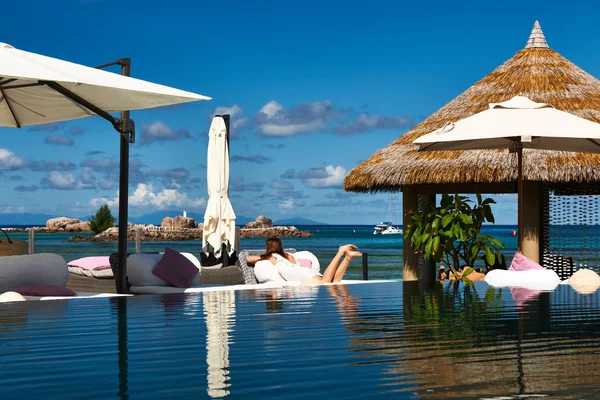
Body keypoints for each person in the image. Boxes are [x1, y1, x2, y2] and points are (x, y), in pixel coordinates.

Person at [246, 238, 362, 285]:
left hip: (299, 275)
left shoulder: (271, 256)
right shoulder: (288, 254)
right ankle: (347, 258)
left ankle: (340, 252)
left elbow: (248, 259)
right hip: (305, 271)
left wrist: (264, 255)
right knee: (334, 282)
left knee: (326, 283)